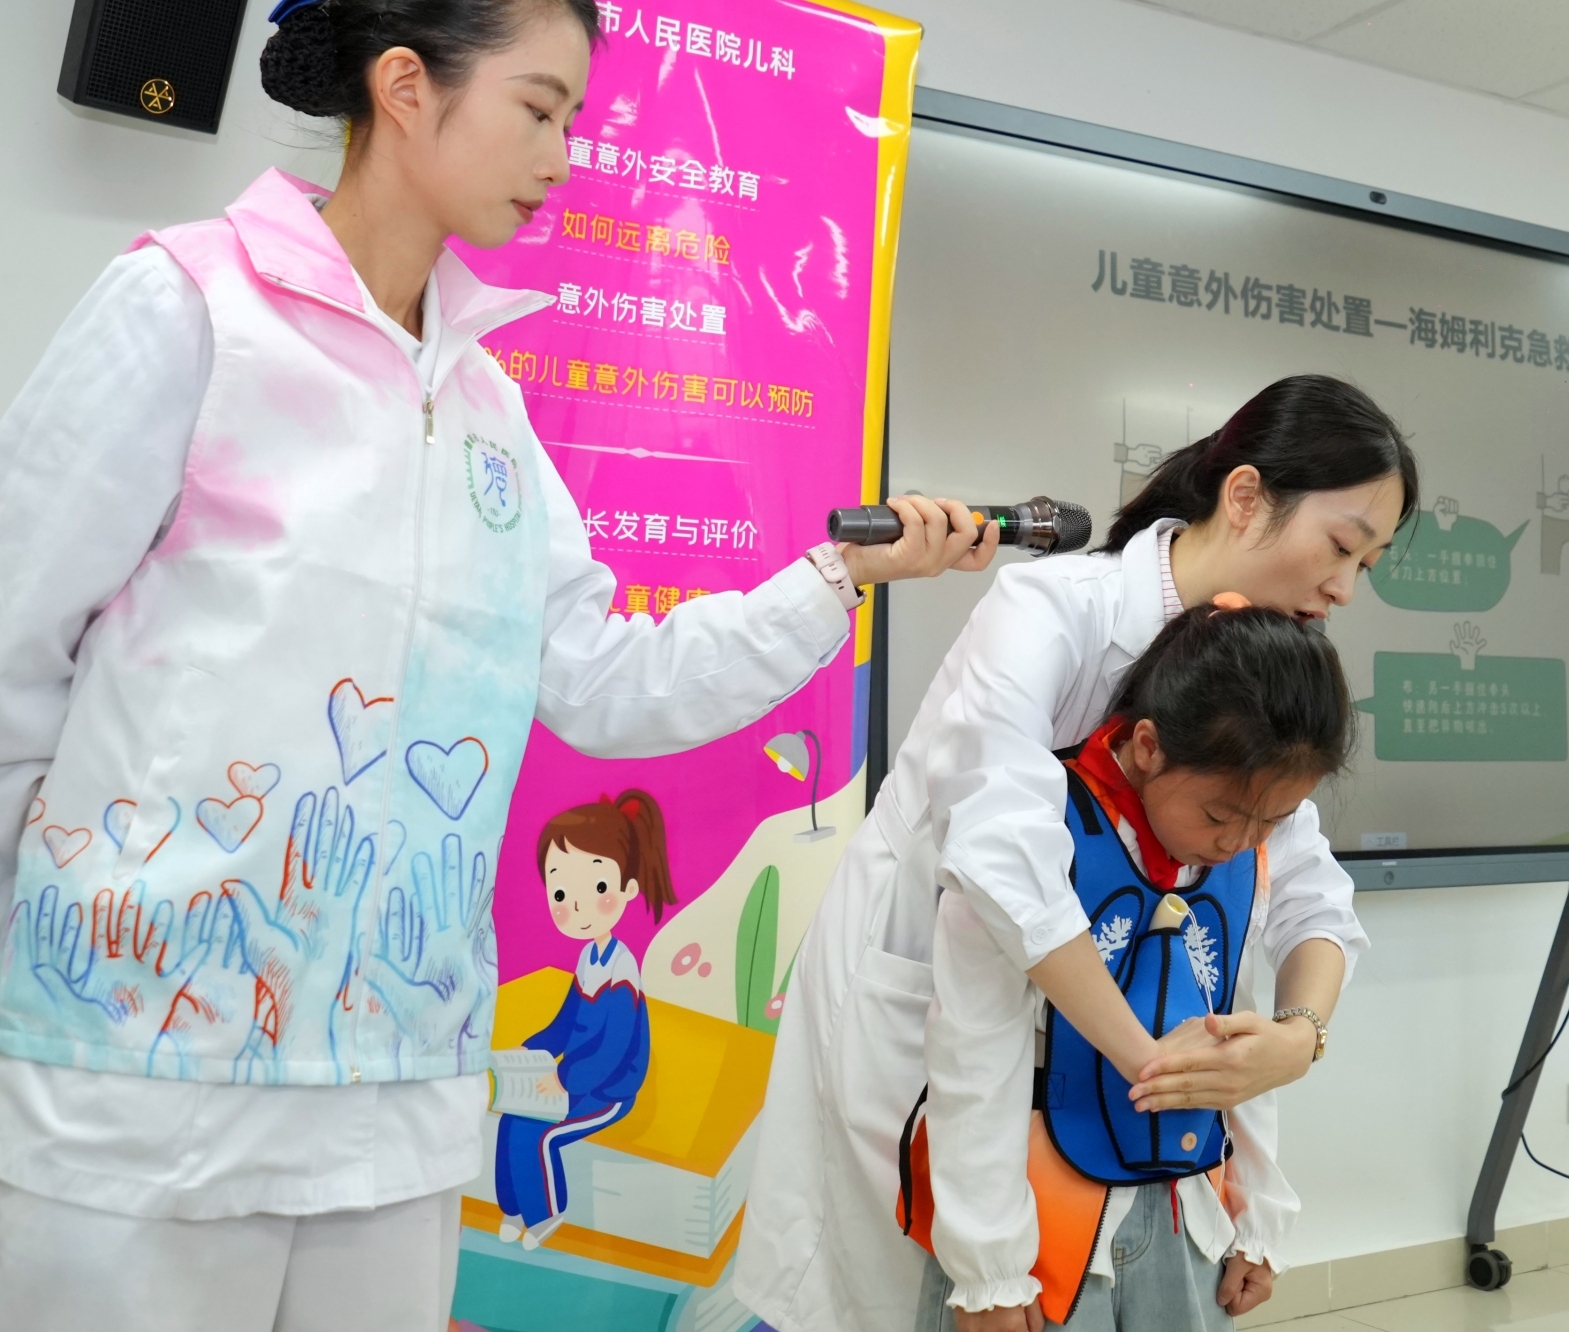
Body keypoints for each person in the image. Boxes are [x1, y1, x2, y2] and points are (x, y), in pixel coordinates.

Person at [0, 2, 996, 1329]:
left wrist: (836, 580)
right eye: (538, 109)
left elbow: (601, 678)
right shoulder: (190, 308)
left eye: (572, 119)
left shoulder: (487, 410)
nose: (562, 155)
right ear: (405, 86)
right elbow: (14, 651)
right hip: (140, 1082)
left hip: (394, 1106)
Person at [739, 374, 1418, 1332]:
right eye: (1343, 547)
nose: (1345, 589)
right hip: (940, 1013)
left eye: (1369, 566)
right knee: (918, 1292)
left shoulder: (1257, 669)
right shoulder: (1050, 611)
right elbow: (1004, 871)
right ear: (1245, 498)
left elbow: (1307, 892)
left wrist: (1297, 1039)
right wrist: (1162, 1071)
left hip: (1104, 1085)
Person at [902, 599, 1359, 1331]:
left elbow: (1231, 1031)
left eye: (1271, 823)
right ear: (1148, 747)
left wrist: (1259, 1216)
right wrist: (990, 1270)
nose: (1238, 843)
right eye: (1219, 817)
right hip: (1036, 1226)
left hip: (1189, 1214)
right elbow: (973, 1055)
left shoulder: (1250, 836)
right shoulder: (1030, 830)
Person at [491, 789, 671, 1250]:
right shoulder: (589, 958)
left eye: (597, 889)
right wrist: (532, 1049)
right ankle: (513, 1208)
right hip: (576, 1078)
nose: (575, 906)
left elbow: (613, 1050)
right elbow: (565, 1024)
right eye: (560, 892)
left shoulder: (622, 970)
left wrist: (565, 1079)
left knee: (539, 1133)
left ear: (627, 890)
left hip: (610, 1089)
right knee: (511, 1119)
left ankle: (545, 1214)